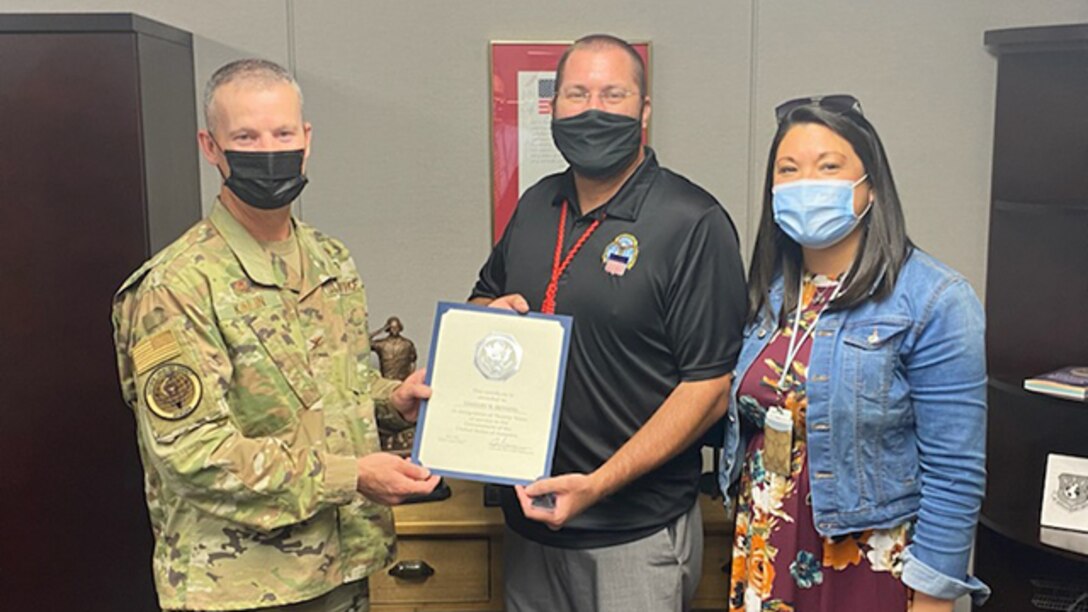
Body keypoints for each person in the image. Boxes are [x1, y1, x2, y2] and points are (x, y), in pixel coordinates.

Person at [111, 59, 439, 612]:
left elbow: (336, 393)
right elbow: (194, 454)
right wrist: (352, 476)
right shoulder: (176, 286)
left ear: (306, 140)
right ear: (210, 147)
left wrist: (393, 402)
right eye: (245, 136)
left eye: (283, 133)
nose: (268, 149)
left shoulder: (329, 260)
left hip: (343, 568)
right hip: (244, 587)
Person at [469, 34, 748, 612]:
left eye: (613, 94)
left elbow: (710, 389)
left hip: (634, 534)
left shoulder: (692, 223)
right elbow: (483, 299)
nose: (593, 109)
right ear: (553, 108)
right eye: (577, 94)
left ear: (644, 112)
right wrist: (485, 319)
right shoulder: (536, 204)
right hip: (531, 526)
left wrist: (596, 485)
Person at [719, 94, 989, 612]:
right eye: (789, 169)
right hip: (766, 548)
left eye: (828, 167)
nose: (806, 184)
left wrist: (935, 595)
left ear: (870, 186)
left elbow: (955, 471)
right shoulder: (769, 295)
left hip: (869, 565)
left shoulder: (933, 298)